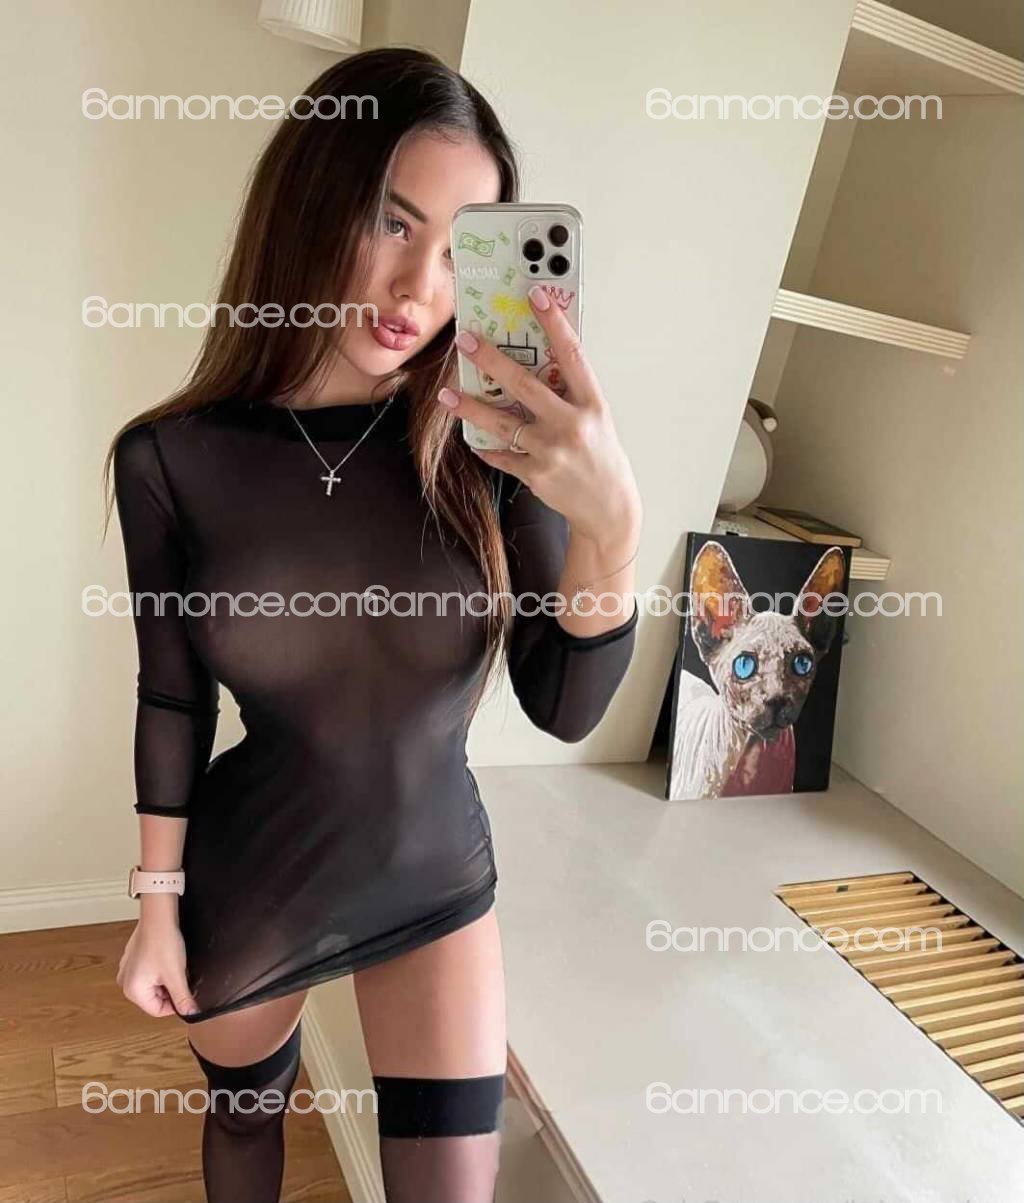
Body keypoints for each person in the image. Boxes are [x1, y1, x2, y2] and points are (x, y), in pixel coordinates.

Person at [102, 47, 642, 1203]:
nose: (415, 290)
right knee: (246, 1121)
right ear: (310, 206)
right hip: (256, 869)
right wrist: (156, 908)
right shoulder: (172, 460)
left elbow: (565, 705)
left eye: (458, 251)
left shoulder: (491, 450)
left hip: (432, 870)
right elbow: (172, 697)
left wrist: (612, 528)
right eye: (391, 224)